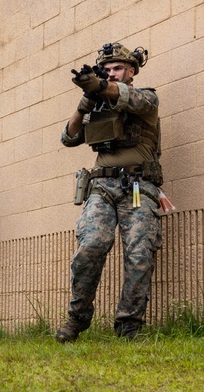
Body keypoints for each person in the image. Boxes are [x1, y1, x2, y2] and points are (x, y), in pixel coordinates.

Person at [56, 42, 162, 342]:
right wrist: (85, 102)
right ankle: (76, 319)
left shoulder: (146, 97)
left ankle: (129, 326)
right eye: (107, 70)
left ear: (131, 71)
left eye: (117, 69)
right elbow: (68, 137)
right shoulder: (97, 105)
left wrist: (101, 86)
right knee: (90, 245)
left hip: (139, 187)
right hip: (101, 188)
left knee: (139, 254)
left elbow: (127, 98)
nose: (112, 74)